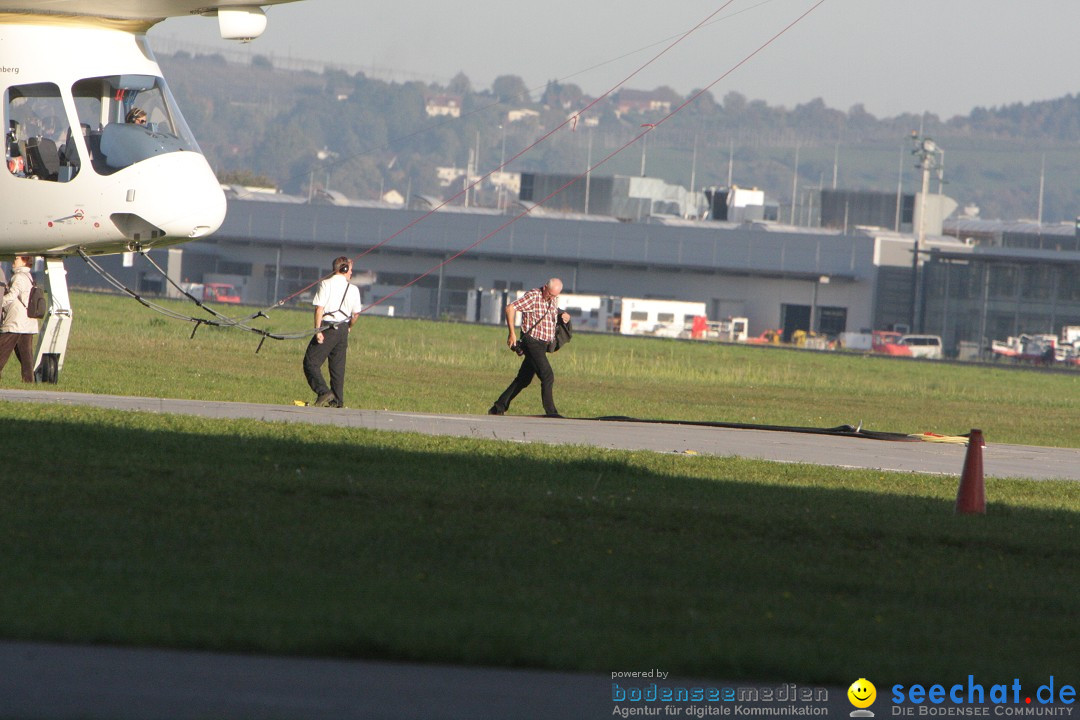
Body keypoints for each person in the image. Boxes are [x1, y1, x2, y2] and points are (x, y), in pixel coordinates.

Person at [489, 278, 570, 418]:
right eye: (550, 294)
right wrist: (512, 334)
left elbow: (550, 310)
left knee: (523, 379)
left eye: (555, 296)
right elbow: (510, 308)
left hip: (542, 345)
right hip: (532, 342)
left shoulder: (552, 299)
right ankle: (551, 412)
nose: (552, 298)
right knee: (547, 375)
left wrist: (562, 314)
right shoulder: (533, 296)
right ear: (545, 288)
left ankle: (498, 407)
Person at [303, 256, 362, 408]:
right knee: (337, 367)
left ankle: (323, 392)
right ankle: (337, 401)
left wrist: (318, 331)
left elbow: (319, 309)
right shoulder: (353, 289)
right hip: (342, 330)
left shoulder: (325, 284)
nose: (351, 273)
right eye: (350, 269)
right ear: (344, 269)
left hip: (328, 327)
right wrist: (349, 327)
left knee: (310, 362)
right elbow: (356, 315)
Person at [0, 255, 40, 383]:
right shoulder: (29, 277)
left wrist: (1, 302)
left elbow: (12, 295)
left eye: (17, 259)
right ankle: (29, 382)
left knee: (2, 350)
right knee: (26, 357)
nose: (14, 261)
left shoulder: (18, 277)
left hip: (15, 322)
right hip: (28, 323)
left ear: (25, 261)